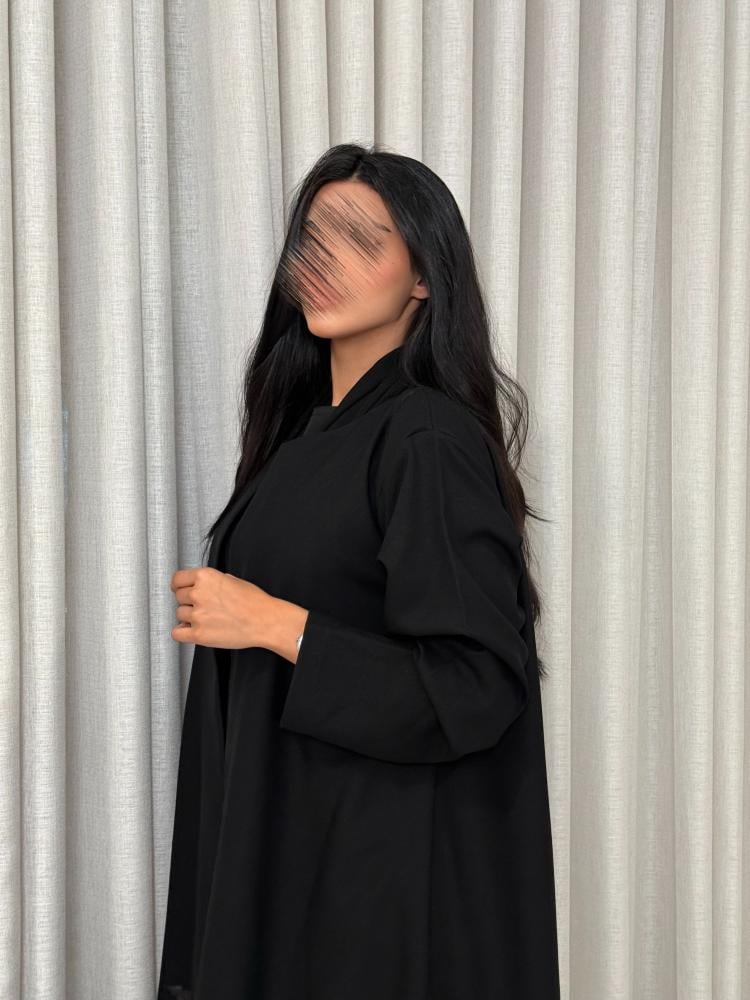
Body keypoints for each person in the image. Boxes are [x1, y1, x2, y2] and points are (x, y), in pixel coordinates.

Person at [157, 143, 560, 999]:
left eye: (361, 240)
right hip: (295, 866)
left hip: (377, 903)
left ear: (424, 279)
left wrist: (273, 623)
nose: (325, 261)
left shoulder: (426, 438)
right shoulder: (303, 437)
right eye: (314, 238)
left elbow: (477, 686)